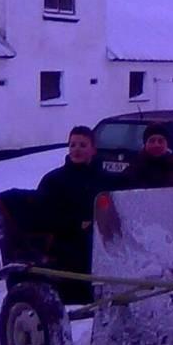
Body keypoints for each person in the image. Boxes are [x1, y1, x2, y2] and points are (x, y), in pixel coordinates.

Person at [36, 125, 110, 296]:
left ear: (93, 150)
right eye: (73, 145)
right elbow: (44, 215)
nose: (77, 150)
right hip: (67, 241)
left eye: (83, 145)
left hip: (104, 239)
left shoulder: (105, 179)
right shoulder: (53, 180)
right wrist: (76, 225)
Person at [124, 123, 173, 189]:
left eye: (161, 141)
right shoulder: (134, 168)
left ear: (167, 145)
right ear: (145, 144)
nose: (156, 145)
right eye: (152, 141)